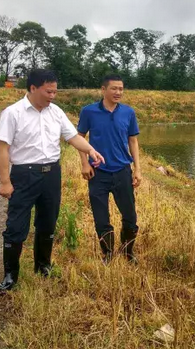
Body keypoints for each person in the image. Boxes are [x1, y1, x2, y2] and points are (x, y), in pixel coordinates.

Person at [0, 69, 104, 293]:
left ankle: (42, 265)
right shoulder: (13, 113)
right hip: (24, 175)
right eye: (48, 91)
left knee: (47, 222)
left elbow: (72, 137)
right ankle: (10, 275)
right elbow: (3, 148)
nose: (52, 95)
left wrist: (91, 150)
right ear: (33, 88)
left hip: (51, 174)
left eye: (55, 91)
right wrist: (5, 181)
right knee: (16, 225)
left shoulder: (56, 112)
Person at [77, 74, 142, 264]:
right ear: (103, 90)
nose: (118, 92)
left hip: (123, 171)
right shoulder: (88, 112)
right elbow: (80, 137)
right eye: (114, 88)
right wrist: (84, 163)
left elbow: (133, 140)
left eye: (121, 89)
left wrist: (137, 169)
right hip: (98, 173)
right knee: (101, 217)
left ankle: (128, 251)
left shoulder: (128, 113)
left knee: (130, 215)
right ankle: (108, 254)